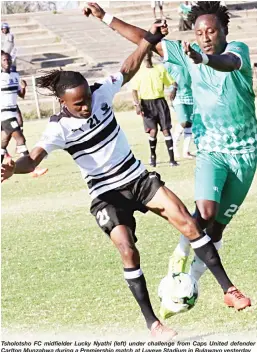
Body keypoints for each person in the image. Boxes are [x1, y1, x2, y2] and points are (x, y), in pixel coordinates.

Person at [1, 21, 249, 340]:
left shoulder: (101, 93)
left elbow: (128, 67)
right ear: (64, 103)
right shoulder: (57, 128)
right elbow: (32, 158)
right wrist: (13, 169)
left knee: (188, 222)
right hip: (106, 195)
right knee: (127, 249)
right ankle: (153, 323)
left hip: (137, 178)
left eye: (87, 99)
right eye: (78, 104)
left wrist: (150, 40)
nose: (87, 106)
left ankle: (228, 289)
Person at [84, 1, 257, 310]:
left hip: (245, 154)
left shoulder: (238, 50)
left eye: (211, 31)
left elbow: (227, 62)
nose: (205, 36)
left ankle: (190, 279)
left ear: (224, 31)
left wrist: (203, 58)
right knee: (204, 211)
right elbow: (143, 38)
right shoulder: (183, 52)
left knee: (217, 227)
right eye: (199, 32)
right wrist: (105, 17)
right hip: (211, 150)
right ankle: (179, 258)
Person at [1, 51, 48, 177]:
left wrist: (23, 88)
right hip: (4, 113)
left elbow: (20, 95)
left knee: (3, 142)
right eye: (4, 60)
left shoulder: (15, 75)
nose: (7, 62)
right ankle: (33, 168)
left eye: (9, 59)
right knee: (20, 139)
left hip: (12, 111)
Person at [131, 50, 178, 167]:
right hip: (146, 104)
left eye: (148, 53)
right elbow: (134, 90)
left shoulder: (160, 69)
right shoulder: (139, 72)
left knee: (166, 130)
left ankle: (172, 159)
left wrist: (173, 90)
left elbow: (173, 82)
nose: (146, 55)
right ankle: (153, 158)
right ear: (142, 56)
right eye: (144, 53)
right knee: (153, 131)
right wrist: (137, 105)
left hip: (160, 102)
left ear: (151, 55)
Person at [165, 62, 194, 159]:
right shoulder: (169, 63)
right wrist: (173, 88)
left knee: (189, 123)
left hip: (190, 94)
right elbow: (168, 78)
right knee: (184, 122)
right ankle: (173, 147)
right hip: (177, 95)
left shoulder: (189, 61)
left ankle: (186, 151)